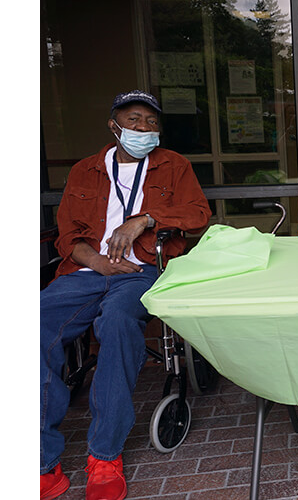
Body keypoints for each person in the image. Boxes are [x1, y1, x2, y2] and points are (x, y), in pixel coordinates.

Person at [40, 90, 211, 500]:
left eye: (152, 122)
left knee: (116, 322)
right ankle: (41, 459)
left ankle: (104, 455)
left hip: (141, 271)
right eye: (135, 120)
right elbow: (67, 235)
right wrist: (97, 262)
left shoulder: (174, 166)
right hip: (86, 271)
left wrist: (146, 219)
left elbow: (198, 214)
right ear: (114, 125)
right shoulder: (85, 171)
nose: (144, 129)